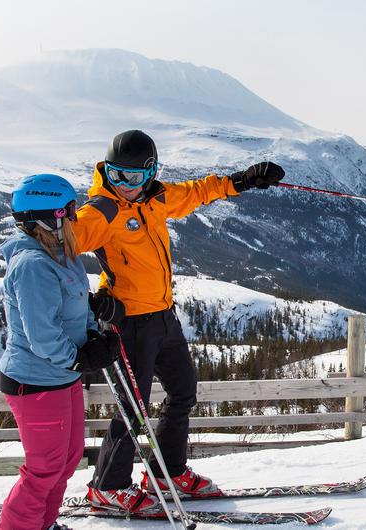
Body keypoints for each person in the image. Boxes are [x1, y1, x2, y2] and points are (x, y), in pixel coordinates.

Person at [72, 130, 285, 514]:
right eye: (118, 176)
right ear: (107, 173)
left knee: (183, 392)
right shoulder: (101, 211)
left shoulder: (156, 198)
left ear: (151, 172)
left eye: (135, 178)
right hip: (129, 323)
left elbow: (197, 191)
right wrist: (89, 302)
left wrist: (243, 181)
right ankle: (107, 487)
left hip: (163, 317)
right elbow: (56, 249)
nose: (127, 186)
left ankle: (167, 472)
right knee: (133, 408)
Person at [0, 173, 125, 530]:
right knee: (44, 469)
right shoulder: (33, 266)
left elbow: (73, 308)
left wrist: (94, 331)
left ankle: (44, 524)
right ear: (46, 216)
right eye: (67, 210)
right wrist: (80, 358)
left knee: (67, 461)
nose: (74, 216)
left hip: (63, 376)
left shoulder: (62, 254)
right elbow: (42, 335)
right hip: (35, 381)